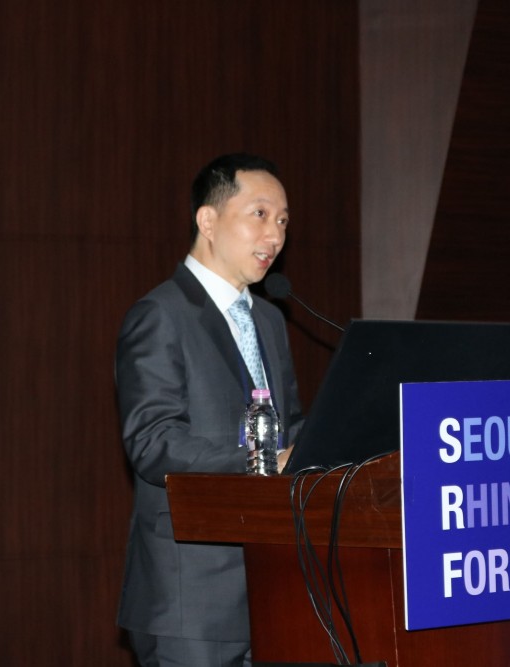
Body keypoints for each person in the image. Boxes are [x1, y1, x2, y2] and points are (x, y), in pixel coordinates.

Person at [114, 153, 306, 666]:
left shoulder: (269, 320)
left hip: (270, 585)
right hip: (191, 600)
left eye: (283, 221)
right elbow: (153, 442)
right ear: (208, 220)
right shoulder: (160, 315)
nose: (275, 235)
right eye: (260, 214)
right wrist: (261, 462)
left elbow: (290, 426)